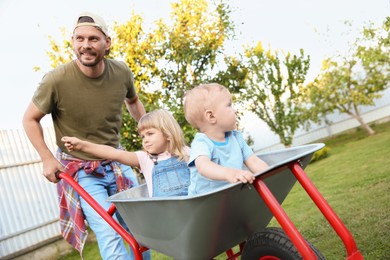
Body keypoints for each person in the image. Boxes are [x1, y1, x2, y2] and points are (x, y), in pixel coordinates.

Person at [22, 12, 150, 260]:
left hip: (117, 161)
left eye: (93, 38)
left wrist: (150, 131)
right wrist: (47, 158)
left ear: (107, 42)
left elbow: (133, 101)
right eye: (79, 38)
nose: (86, 45)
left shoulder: (121, 72)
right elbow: (29, 119)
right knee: (109, 232)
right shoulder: (56, 80)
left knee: (140, 230)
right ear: (72, 42)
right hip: (82, 171)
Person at [61, 109, 191, 197]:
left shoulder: (186, 153)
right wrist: (82, 145)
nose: (145, 140)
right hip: (166, 215)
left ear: (168, 134)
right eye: (143, 137)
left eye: (150, 134)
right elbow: (113, 153)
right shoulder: (145, 159)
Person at [183, 83, 269, 195]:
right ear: (211, 116)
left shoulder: (236, 138)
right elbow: (203, 167)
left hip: (229, 196)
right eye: (229, 105)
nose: (235, 110)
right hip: (205, 203)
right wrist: (231, 174)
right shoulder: (202, 143)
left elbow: (254, 161)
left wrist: (274, 175)